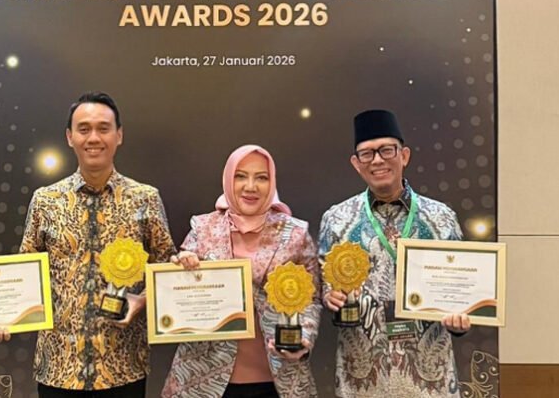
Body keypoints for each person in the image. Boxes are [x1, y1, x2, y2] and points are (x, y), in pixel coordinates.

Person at [0, 92, 176, 397]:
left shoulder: (145, 199)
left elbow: (166, 267)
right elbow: (23, 274)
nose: (93, 138)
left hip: (123, 368)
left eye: (103, 128)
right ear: (69, 137)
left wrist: (142, 301)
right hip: (59, 369)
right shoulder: (46, 201)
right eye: (84, 129)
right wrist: (0, 318)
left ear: (119, 135)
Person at [318, 109, 471, 398]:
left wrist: (460, 319)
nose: (377, 160)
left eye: (386, 150)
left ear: (404, 156)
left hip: (428, 380)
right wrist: (330, 297)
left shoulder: (441, 217)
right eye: (367, 153)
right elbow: (325, 287)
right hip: (362, 379)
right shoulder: (336, 219)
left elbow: (460, 291)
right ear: (356, 164)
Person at [162, 145, 321, 398]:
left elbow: (311, 298)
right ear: (228, 180)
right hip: (203, 380)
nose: (250, 186)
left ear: (272, 183)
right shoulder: (203, 228)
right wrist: (182, 268)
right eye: (240, 176)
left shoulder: (296, 233)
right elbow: (178, 294)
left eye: (261, 177)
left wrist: (305, 338)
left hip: (279, 379)